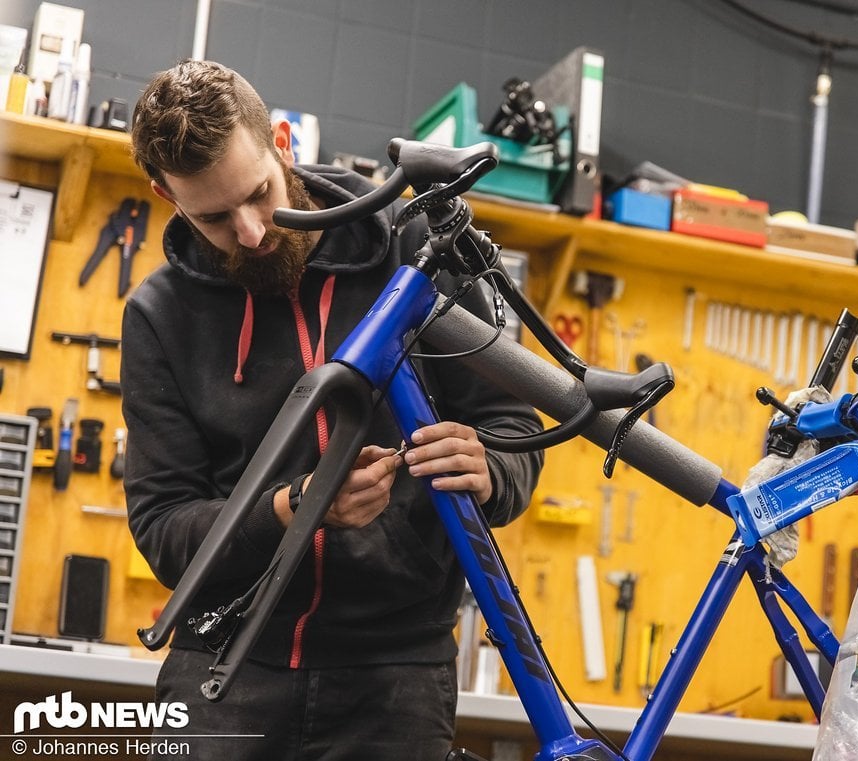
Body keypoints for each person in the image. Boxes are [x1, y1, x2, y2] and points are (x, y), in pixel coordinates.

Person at [122, 60, 544, 761]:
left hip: (394, 676)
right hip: (225, 671)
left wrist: (490, 465)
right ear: (165, 194)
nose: (252, 231)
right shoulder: (159, 316)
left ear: (282, 141)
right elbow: (165, 529)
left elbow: (518, 429)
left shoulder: (416, 255)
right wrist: (294, 508)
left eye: (258, 193)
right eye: (214, 217)